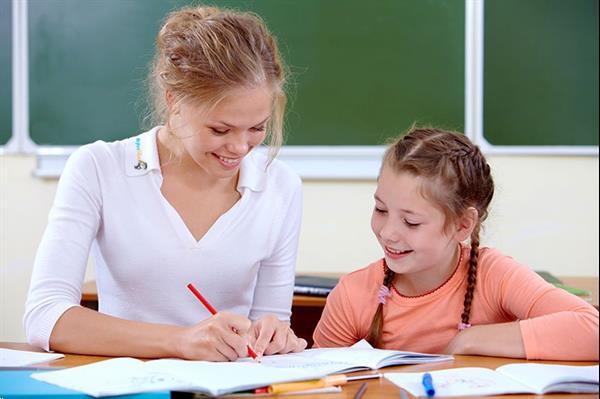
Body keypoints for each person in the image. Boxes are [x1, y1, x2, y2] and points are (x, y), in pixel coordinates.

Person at [24, 5, 307, 361]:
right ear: (174, 101)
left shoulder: (281, 187)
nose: (239, 148)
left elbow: (271, 322)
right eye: (220, 129)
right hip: (128, 386)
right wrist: (181, 341)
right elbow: (45, 316)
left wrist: (274, 336)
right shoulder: (99, 168)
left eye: (257, 128)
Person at [313, 127, 599, 360]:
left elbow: (592, 329)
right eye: (381, 210)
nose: (388, 232)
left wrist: (469, 339)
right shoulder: (353, 295)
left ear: (463, 225)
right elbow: (315, 385)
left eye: (411, 222)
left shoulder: (494, 276)